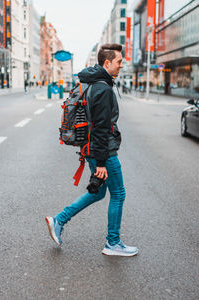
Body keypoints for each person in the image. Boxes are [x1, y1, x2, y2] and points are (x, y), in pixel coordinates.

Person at [45, 44, 138, 257]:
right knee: (119, 194)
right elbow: (101, 128)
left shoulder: (92, 84)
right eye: (119, 62)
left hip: (92, 149)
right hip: (101, 151)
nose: (121, 65)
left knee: (98, 193)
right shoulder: (103, 89)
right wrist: (103, 162)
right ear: (107, 63)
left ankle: (59, 219)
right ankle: (112, 243)